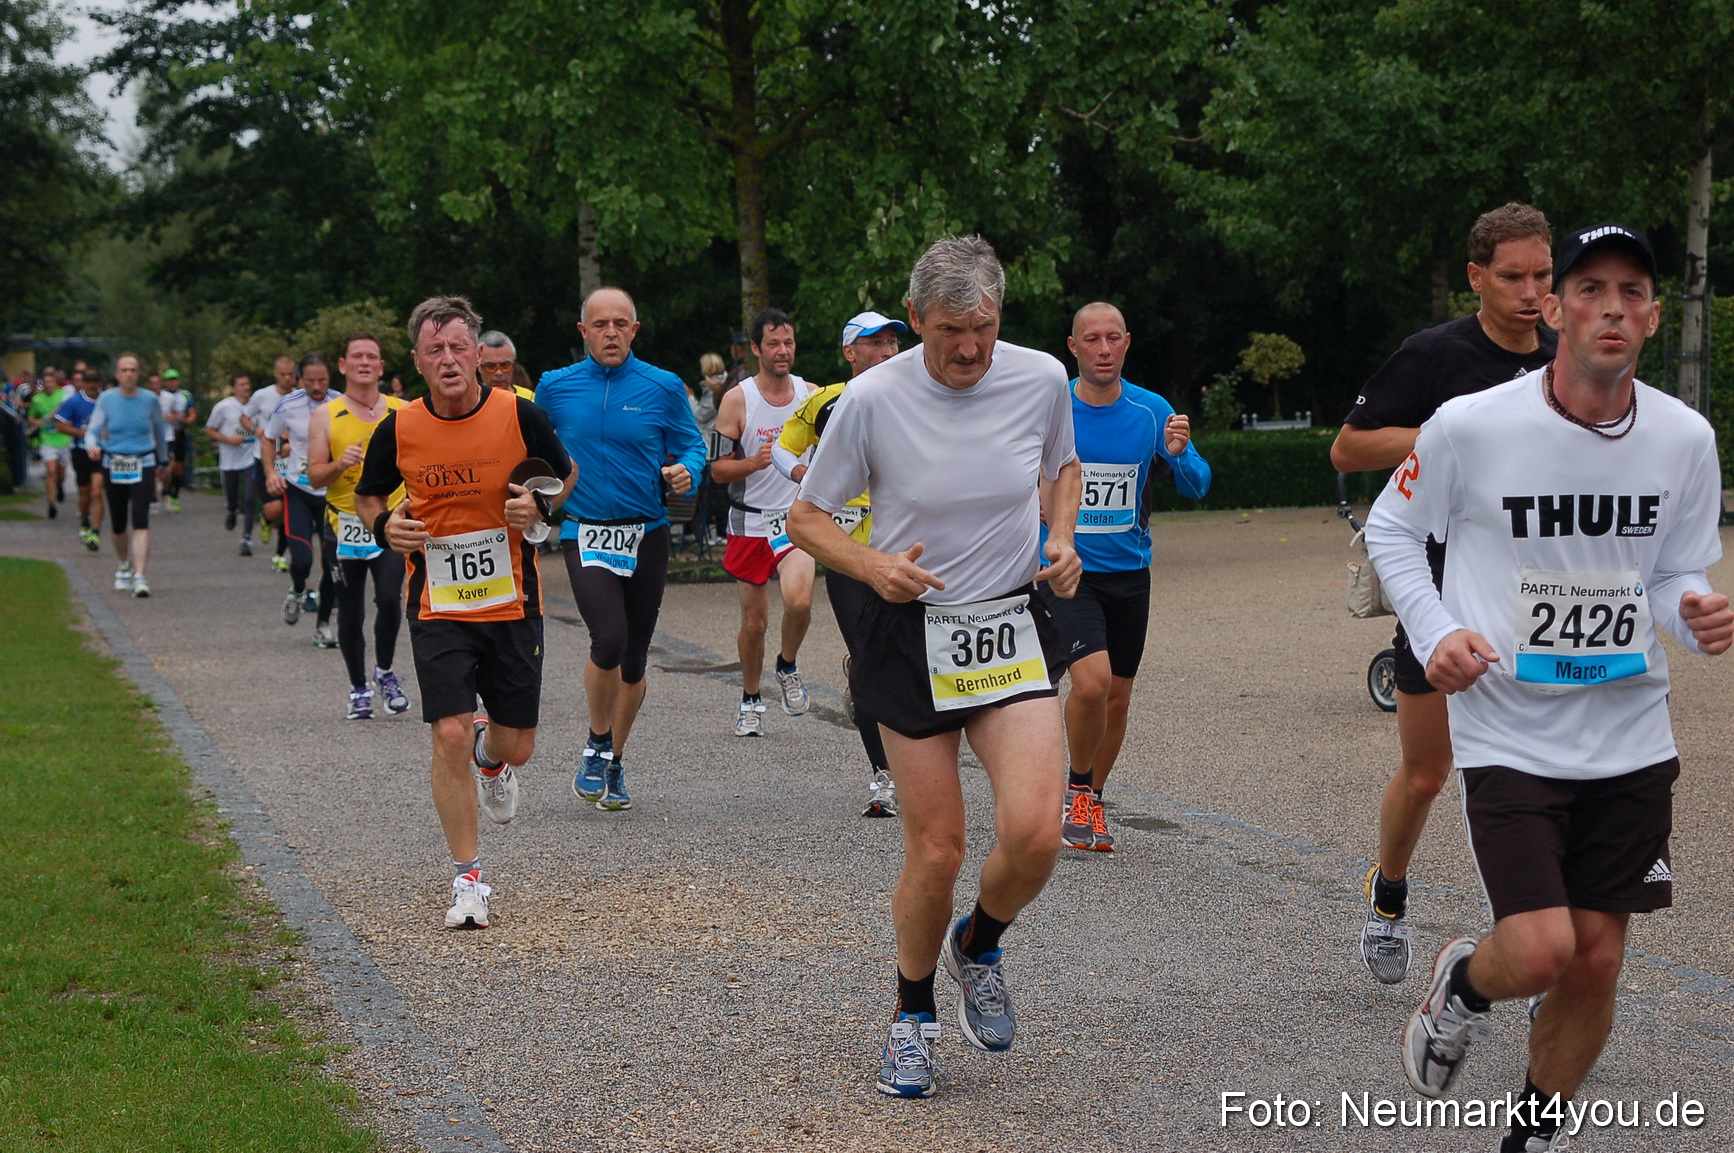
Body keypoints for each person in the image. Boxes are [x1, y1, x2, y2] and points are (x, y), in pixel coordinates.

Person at [1367, 224, 1732, 1153]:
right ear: (1557, 307)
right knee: (1538, 949)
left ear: (1653, 316)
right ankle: (1463, 982)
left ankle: (1535, 1135)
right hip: (1512, 729)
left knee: (1598, 957)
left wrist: (1694, 611)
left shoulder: (1685, 438)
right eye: (1592, 288)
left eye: (1633, 292)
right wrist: (1437, 629)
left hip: (1631, 735)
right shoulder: (1473, 426)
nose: (1613, 306)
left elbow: (1671, 573)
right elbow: (1392, 530)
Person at [789, 235, 1081, 1098]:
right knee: (940, 845)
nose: (968, 349)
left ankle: (978, 943)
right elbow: (808, 517)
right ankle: (911, 1013)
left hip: (1005, 624)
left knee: (1035, 833)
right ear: (915, 320)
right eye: (951, 330)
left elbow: (1061, 465)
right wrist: (873, 565)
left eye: (983, 329)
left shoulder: (1039, 378)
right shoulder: (873, 398)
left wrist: (1060, 535)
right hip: (909, 632)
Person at [1331, 202, 1558, 985]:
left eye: (1542, 275)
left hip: (1538, 600)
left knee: (1539, 777)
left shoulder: (1569, 356)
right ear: (1476, 277)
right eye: (1512, 276)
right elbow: (1348, 446)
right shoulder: (1434, 356)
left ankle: (1532, 942)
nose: (1531, 292)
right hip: (1439, 593)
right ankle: (1387, 893)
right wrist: (1454, 434)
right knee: (1429, 772)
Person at [355, 295, 574, 930]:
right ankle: (468, 879)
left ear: (478, 355)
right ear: (417, 362)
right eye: (434, 351)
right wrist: (384, 526)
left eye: (458, 348)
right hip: (437, 602)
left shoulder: (520, 414)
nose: (448, 360)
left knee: (519, 745)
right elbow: (370, 496)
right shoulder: (399, 428)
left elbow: (563, 475)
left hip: (514, 602)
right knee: (448, 730)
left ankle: (494, 760)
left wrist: (539, 512)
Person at [1047, 302, 1210, 853]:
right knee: (1089, 682)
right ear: (1073, 348)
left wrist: (1180, 455)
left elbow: (1198, 485)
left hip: (1130, 573)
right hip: (1069, 570)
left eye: (1112, 338)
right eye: (1091, 339)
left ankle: (1092, 796)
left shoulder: (1150, 410)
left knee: (1116, 698)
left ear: (1127, 343)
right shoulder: (1052, 407)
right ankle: (1073, 789)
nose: (1103, 349)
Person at [536, 287, 707, 811]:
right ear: (582, 331)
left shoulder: (662, 386)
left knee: (634, 660)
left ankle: (614, 759)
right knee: (607, 639)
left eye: (621, 324)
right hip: (584, 530)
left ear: (635, 330)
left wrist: (688, 471)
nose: (611, 333)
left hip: (647, 532)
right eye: (600, 324)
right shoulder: (555, 388)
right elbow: (529, 450)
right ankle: (595, 740)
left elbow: (693, 445)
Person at [772, 310, 908, 816]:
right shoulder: (825, 400)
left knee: (911, 658)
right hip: (848, 554)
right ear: (850, 352)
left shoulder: (920, 393)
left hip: (908, 548)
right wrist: (806, 472)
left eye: (894, 341)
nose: (888, 351)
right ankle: (885, 777)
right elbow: (782, 451)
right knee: (873, 663)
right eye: (875, 343)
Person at [712, 308, 816, 735]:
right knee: (754, 623)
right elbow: (717, 470)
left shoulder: (810, 394)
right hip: (749, 523)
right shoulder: (737, 399)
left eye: (788, 343)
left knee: (801, 602)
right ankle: (751, 699)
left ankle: (787, 664)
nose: (782, 351)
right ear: (755, 348)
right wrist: (752, 463)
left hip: (794, 521)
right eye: (773, 343)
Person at [308, 333, 407, 709]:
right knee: (350, 609)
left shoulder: (403, 410)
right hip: (343, 525)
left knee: (389, 598)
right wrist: (339, 464)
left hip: (390, 521)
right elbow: (315, 476)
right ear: (343, 366)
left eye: (372, 357)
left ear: (381, 367)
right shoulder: (325, 415)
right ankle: (358, 687)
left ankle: (384, 671)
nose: (365, 362)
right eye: (357, 357)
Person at [264, 352, 341, 635]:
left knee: (333, 563)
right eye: (310, 381)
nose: (317, 386)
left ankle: (322, 625)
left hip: (332, 493)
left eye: (322, 380)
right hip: (298, 488)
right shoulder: (287, 405)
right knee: (303, 560)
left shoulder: (342, 403)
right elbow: (267, 437)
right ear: (300, 380)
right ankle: (297, 589)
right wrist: (271, 473)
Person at [85, 353, 167, 597]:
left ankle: (140, 575)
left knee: (140, 518)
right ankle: (123, 565)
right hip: (115, 462)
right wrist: (92, 444)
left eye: (133, 370)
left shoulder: (149, 399)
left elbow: (159, 431)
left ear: (138, 373)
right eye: (124, 370)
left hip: (144, 461)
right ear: (117, 374)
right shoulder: (107, 400)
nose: (129, 374)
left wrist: (163, 460)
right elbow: (93, 429)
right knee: (119, 521)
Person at [250, 356, 298, 570]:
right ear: (275, 374)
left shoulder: (300, 397)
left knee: (288, 508)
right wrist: (256, 431)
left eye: (291, 374)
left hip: (291, 460)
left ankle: (280, 554)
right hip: (266, 458)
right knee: (274, 509)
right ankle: (266, 519)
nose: (287, 379)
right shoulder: (262, 396)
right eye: (283, 375)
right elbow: (244, 416)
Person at [206, 375, 261, 555]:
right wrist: (229, 440)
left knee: (250, 498)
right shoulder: (223, 407)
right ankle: (231, 510)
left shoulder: (257, 405)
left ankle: (246, 538)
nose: (246, 387)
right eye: (241, 384)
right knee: (232, 498)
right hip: (229, 460)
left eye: (247, 383)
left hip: (251, 458)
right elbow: (210, 430)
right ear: (233, 388)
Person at [54, 370, 105, 550]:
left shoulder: (106, 401)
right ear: (83, 383)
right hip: (81, 451)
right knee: (85, 494)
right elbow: (60, 426)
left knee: (97, 491)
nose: (92, 384)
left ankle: (96, 532)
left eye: (95, 380)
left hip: (102, 451)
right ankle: (85, 521)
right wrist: (82, 433)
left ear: (100, 382)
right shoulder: (74, 402)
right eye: (88, 381)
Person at [26, 369, 70, 519]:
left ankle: (61, 485)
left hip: (63, 438)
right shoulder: (37, 400)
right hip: (47, 439)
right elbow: (30, 417)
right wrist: (36, 421)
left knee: (61, 473)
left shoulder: (63, 396)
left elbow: (70, 415)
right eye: (46, 382)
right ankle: (51, 504)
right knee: (51, 471)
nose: (48, 385)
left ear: (56, 383)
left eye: (51, 382)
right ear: (42, 384)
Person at [160, 368, 195, 510]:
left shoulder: (185, 395)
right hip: (166, 435)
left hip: (180, 433)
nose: (172, 382)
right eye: (169, 380)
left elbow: (193, 414)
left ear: (178, 381)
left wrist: (186, 420)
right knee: (170, 465)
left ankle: (175, 495)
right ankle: (165, 492)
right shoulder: (162, 395)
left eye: (174, 379)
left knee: (179, 467)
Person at [478, 331, 535, 400]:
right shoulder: (469, 402)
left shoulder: (529, 398)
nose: (499, 373)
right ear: (479, 366)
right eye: (491, 366)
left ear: (513, 365)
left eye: (505, 365)